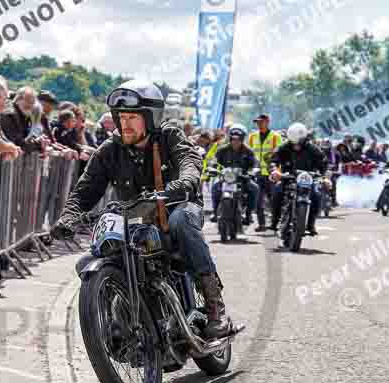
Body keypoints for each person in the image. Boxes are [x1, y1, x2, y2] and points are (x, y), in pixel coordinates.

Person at [50, 80, 236, 339]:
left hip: (176, 205)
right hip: (134, 216)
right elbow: (86, 189)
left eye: (132, 118)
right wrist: (68, 217)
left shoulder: (169, 136)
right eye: (121, 117)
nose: (125, 123)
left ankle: (215, 306)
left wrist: (184, 182)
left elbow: (188, 160)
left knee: (182, 222)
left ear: (150, 117)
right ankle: (118, 319)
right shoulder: (109, 150)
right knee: (91, 258)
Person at [268, 123, 326, 235]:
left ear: (304, 139)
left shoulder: (312, 148)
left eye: (298, 143)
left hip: (308, 179)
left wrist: (324, 177)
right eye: (293, 143)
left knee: (316, 194)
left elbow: (323, 162)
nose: (296, 146)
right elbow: (273, 159)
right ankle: (274, 222)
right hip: (288, 177)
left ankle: (310, 224)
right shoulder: (284, 146)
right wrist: (274, 170)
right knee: (277, 191)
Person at [210, 125, 258, 225]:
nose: (235, 142)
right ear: (230, 139)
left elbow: (254, 164)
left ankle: (249, 214)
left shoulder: (248, 151)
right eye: (233, 139)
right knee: (215, 187)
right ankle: (215, 212)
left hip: (242, 178)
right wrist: (212, 168)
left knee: (255, 188)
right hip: (226, 178)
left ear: (242, 140)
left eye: (238, 139)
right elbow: (214, 161)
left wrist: (252, 171)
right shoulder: (222, 150)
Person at [247, 113, 283, 231]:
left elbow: (280, 154)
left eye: (261, 122)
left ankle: (275, 223)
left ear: (267, 122)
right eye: (257, 122)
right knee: (258, 200)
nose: (259, 124)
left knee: (274, 200)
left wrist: (277, 169)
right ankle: (261, 224)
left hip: (271, 173)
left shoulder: (275, 136)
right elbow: (249, 154)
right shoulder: (252, 136)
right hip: (257, 173)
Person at [0, 86, 46, 154]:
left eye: (33, 102)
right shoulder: (9, 115)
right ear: (18, 99)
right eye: (28, 101)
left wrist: (38, 141)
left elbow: (25, 140)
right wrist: (38, 144)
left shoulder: (25, 115)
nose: (30, 105)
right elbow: (18, 144)